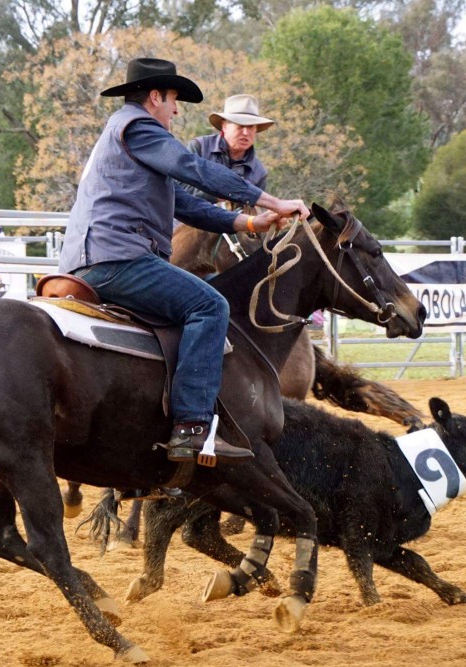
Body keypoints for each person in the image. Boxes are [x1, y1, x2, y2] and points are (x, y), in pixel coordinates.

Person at [58, 57, 309, 470]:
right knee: (211, 306)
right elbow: (194, 170)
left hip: (94, 257)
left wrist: (248, 220)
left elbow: (185, 203)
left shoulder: (127, 135)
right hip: (116, 257)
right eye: (174, 100)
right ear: (155, 97)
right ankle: (192, 426)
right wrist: (272, 201)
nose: (176, 110)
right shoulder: (138, 126)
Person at [180, 93, 273, 203]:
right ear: (224, 126)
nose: (245, 133)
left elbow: (256, 210)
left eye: (251, 127)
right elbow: (179, 189)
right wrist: (217, 194)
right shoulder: (200, 147)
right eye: (240, 126)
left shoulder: (258, 172)